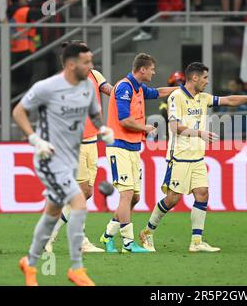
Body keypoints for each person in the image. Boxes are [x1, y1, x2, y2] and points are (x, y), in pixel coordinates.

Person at [139, 62, 247, 252]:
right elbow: (174, 127)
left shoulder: (203, 98)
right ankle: (147, 231)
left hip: (197, 157)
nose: (207, 81)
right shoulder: (176, 97)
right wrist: (199, 133)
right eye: (204, 78)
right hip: (179, 156)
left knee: (202, 193)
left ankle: (196, 242)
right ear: (194, 78)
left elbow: (229, 100)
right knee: (172, 199)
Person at [12, 43, 114, 286]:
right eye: (86, 62)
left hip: (71, 155)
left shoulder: (88, 87)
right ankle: (76, 268)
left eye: (92, 62)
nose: (91, 67)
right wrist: (35, 140)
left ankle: (30, 262)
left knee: (52, 213)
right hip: (50, 157)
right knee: (79, 201)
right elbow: (18, 112)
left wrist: (102, 128)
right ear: (70, 64)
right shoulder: (46, 87)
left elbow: (93, 113)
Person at [99, 53, 178, 253]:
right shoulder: (125, 87)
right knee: (126, 195)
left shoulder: (138, 87)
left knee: (134, 198)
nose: (153, 72)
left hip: (133, 148)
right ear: (142, 69)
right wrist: (145, 127)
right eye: (151, 69)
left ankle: (108, 235)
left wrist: (183, 90)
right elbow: (125, 120)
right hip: (120, 146)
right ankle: (127, 243)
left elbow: (158, 92)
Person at [44, 40, 114, 253]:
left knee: (87, 192)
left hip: (92, 141)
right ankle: (79, 241)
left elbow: (110, 90)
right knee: (80, 192)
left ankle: (51, 234)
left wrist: (127, 89)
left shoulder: (95, 75)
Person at [7, 0, 40, 100]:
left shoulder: (13, 12)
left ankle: (14, 110)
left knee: (17, 86)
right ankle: (20, 110)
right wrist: (54, 3)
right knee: (24, 86)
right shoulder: (23, 11)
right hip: (23, 51)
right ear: (18, 0)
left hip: (14, 52)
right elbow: (44, 13)